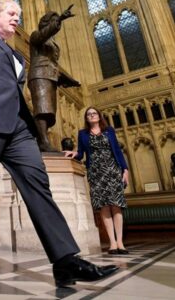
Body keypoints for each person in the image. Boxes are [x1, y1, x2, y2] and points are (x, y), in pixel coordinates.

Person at [0, 0, 118, 288]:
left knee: (39, 186)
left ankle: (65, 260)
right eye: (11, 13)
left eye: (18, 15)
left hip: (19, 128)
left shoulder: (18, 55)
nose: (16, 19)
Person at [65, 107, 130, 255]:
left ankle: (120, 242)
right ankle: (112, 243)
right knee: (104, 206)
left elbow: (118, 152)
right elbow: (81, 153)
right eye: (89, 114)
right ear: (87, 118)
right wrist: (74, 153)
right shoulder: (83, 134)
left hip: (113, 170)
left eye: (94, 113)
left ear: (99, 116)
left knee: (116, 205)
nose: (91, 115)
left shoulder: (109, 131)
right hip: (96, 172)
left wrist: (125, 170)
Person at [28, 6, 77, 152]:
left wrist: (67, 80)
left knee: (49, 113)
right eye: (54, 21)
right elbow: (44, 35)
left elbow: (53, 64)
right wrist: (60, 19)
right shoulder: (36, 36)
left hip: (50, 77)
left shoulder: (52, 42)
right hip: (39, 75)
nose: (57, 24)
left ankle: (42, 140)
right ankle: (43, 141)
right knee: (43, 110)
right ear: (46, 23)